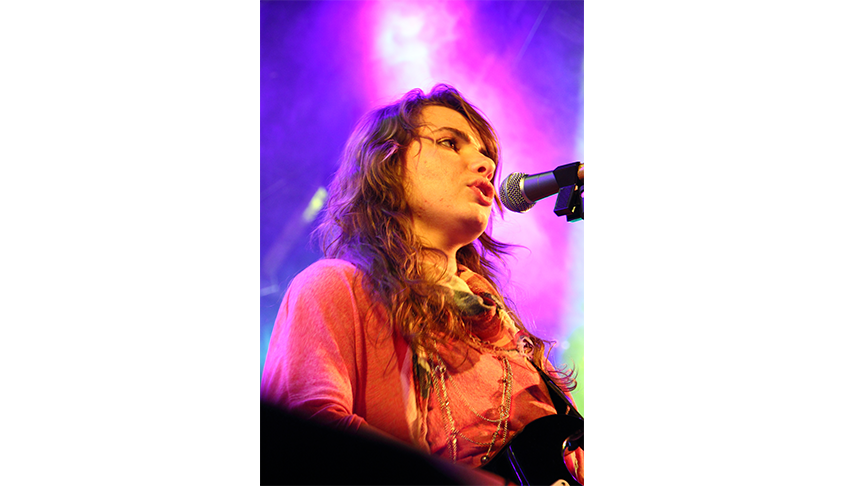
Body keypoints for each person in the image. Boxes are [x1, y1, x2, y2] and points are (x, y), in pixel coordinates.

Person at [261, 84, 584, 484]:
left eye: (486, 154)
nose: (485, 164)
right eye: (450, 143)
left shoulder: (509, 336)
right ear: (388, 164)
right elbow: (306, 444)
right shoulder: (333, 287)